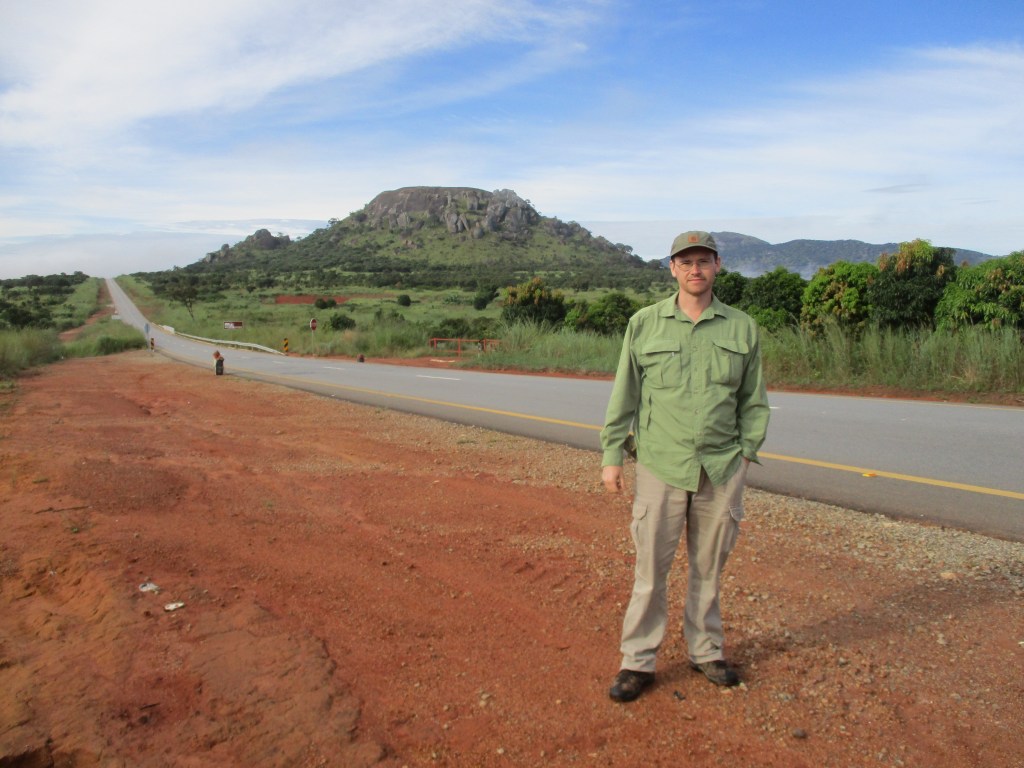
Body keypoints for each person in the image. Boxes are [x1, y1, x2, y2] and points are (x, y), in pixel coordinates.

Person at [600, 230, 770, 703]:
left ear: (718, 265)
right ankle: (638, 662)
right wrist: (612, 456)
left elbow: (753, 401)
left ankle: (706, 650)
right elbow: (624, 395)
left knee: (708, 568)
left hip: (721, 466)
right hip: (660, 464)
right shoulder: (644, 324)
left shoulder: (742, 328)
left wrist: (746, 454)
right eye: (686, 261)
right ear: (672, 268)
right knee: (651, 571)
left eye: (704, 260)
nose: (695, 269)